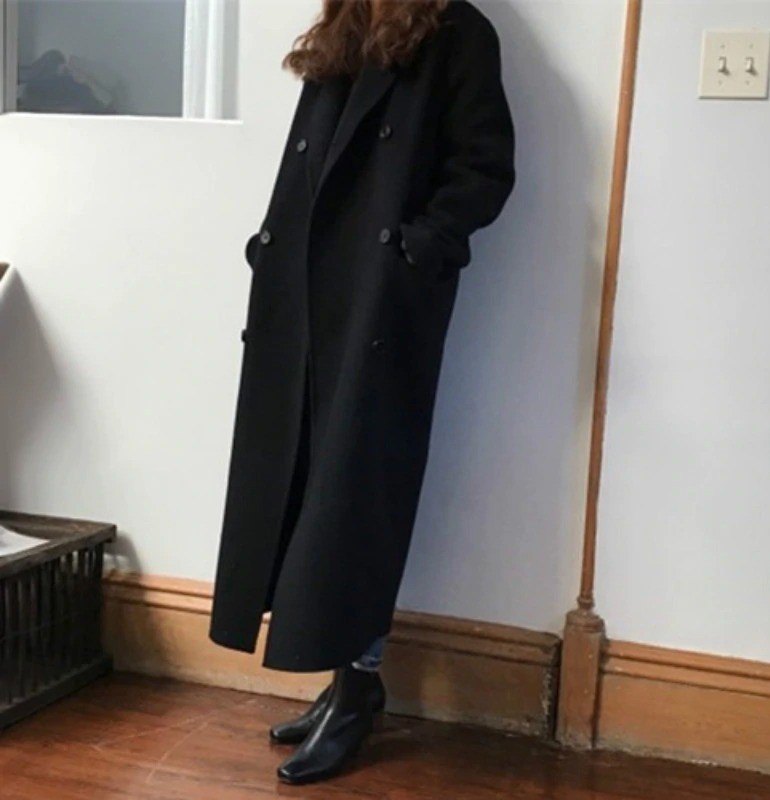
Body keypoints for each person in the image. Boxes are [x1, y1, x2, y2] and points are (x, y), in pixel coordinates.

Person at [208, 0, 515, 785]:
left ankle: (357, 688)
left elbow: (485, 169)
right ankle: (341, 682)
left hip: (379, 303)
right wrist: (268, 251)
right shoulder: (344, 24)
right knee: (297, 485)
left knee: (360, 498)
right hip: (304, 294)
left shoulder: (458, 33)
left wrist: (415, 255)